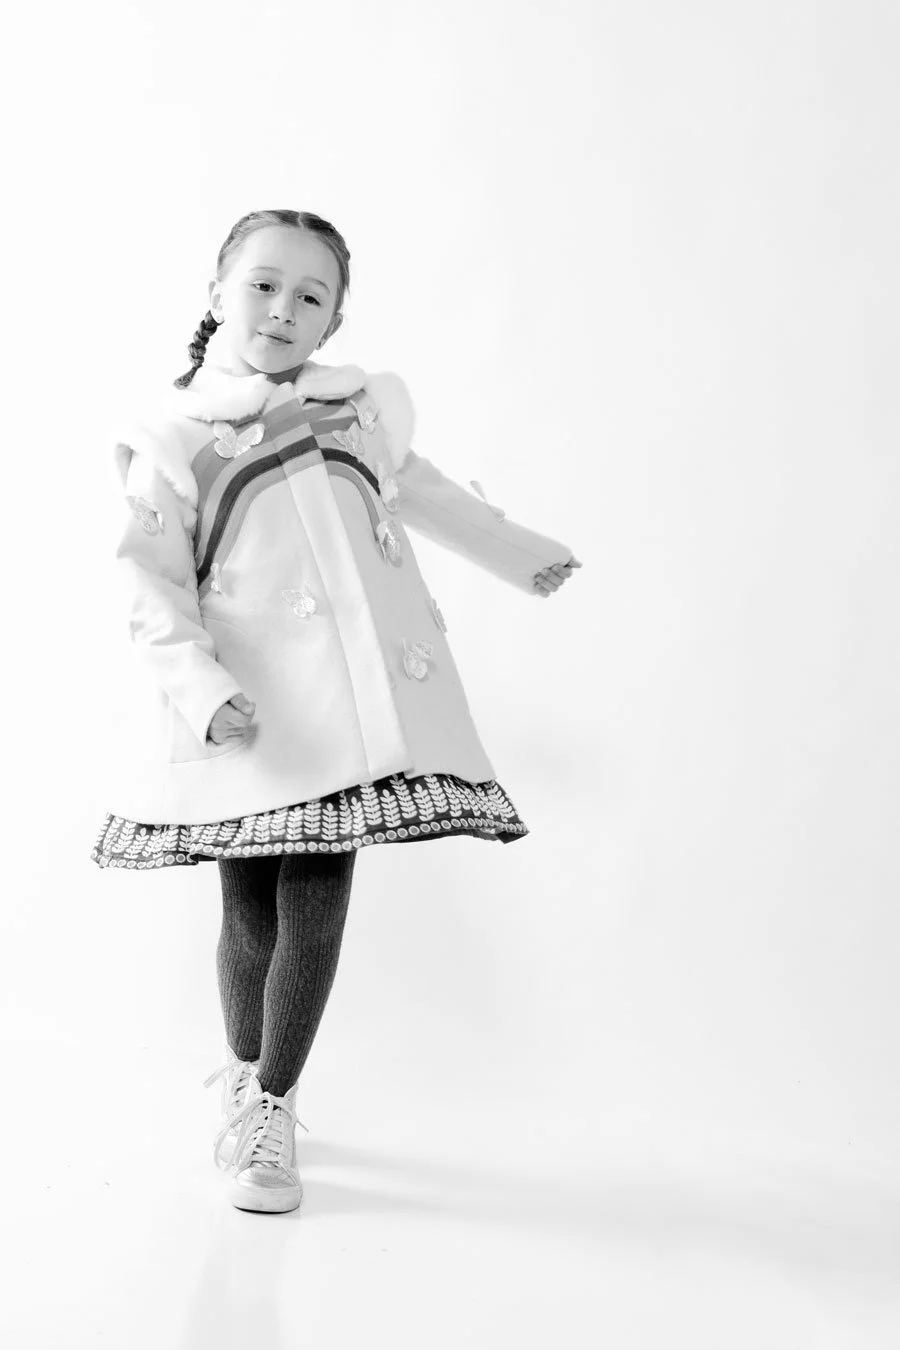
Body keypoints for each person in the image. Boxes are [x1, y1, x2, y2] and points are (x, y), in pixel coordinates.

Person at [89, 208, 582, 1214]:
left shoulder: (354, 413)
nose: (283, 309)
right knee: (247, 911)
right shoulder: (173, 437)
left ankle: (274, 1107)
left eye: (310, 296)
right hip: (248, 711)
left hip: (354, 708)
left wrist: (525, 555)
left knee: (317, 898)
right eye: (264, 285)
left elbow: (429, 494)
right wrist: (203, 693)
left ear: (334, 320)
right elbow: (149, 583)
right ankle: (245, 1077)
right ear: (219, 293)